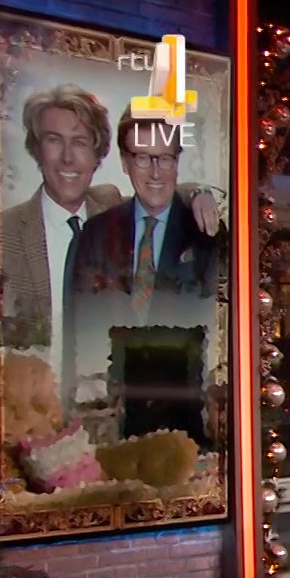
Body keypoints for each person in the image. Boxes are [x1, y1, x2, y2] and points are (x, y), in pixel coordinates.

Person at [0, 85, 219, 411]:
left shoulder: (107, 205)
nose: (68, 157)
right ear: (36, 148)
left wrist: (199, 192)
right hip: (32, 410)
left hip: (111, 408)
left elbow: (159, 190)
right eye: (54, 139)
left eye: (80, 142)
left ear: (98, 154)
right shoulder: (3, 233)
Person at [67, 106, 227, 444]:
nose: (155, 172)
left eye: (164, 158)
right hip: (108, 423)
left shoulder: (206, 236)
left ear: (177, 162)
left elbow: (220, 335)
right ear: (125, 162)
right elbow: (80, 330)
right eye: (142, 158)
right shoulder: (96, 233)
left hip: (189, 425)